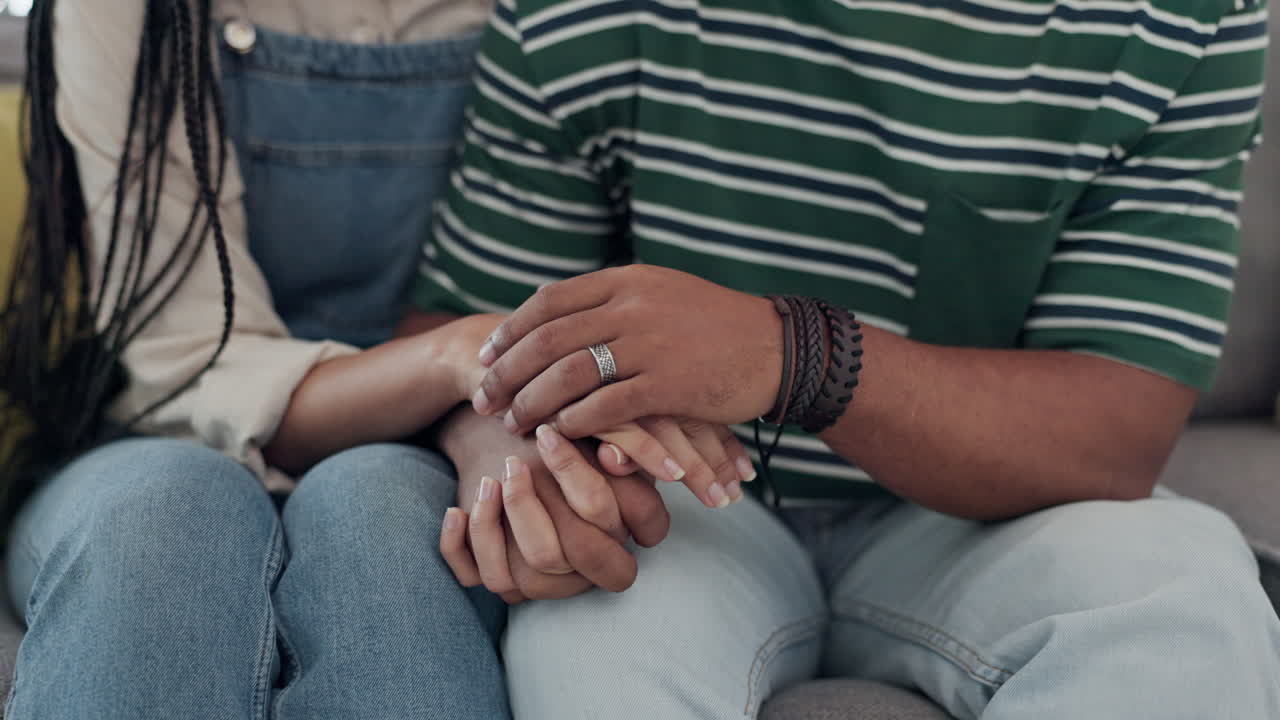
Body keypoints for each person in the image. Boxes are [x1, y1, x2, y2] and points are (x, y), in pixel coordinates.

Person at [411, 0, 1280, 717]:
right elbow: (460, 330)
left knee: (1185, 599)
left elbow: (1117, 432)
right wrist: (515, 449)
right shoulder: (582, 15)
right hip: (685, 506)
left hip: (996, 517)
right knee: (591, 654)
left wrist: (798, 354)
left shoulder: (1182, 18)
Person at [0, 1, 757, 717]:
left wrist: (494, 412)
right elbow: (188, 363)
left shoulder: (572, 24)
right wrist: (468, 358)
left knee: (382, 522)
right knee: (161, 518)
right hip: (163, 436)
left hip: (439, 439)